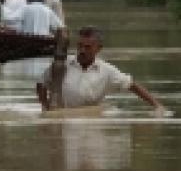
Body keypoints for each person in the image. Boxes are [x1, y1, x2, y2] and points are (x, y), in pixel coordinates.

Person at [36, 26, 165, 112]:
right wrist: (45, 106)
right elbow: (41, 83)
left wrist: (157, 106)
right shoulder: (62, 65)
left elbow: (133, 86)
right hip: (62, 118)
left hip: (89, 118)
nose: (82, 50)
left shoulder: (107, 71)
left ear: (98, 48)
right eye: (80, 46)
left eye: (88, 47)